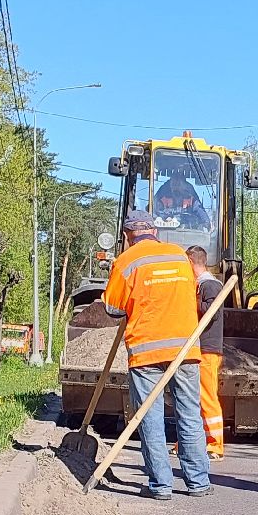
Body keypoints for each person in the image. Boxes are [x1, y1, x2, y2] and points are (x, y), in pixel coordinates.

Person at [104, 213, 212, 500]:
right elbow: (189, 295)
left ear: (128, 235)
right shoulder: (179, 256)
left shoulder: (125, 262)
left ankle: (162, 485)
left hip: (146, 352)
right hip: (185, 350)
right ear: (154, 230)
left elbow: (112, 309)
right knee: (189, 414)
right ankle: (198, 482)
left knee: (149, 418)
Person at [187, 244, 226, 459]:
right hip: (197, 348)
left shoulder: (209, 285)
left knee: (207, 396)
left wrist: (188, 302)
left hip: (207, 349)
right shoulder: (200, 285)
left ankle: (214, 445)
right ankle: (191, 441)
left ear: (192, 262)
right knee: (192, 397)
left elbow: (211, 313)